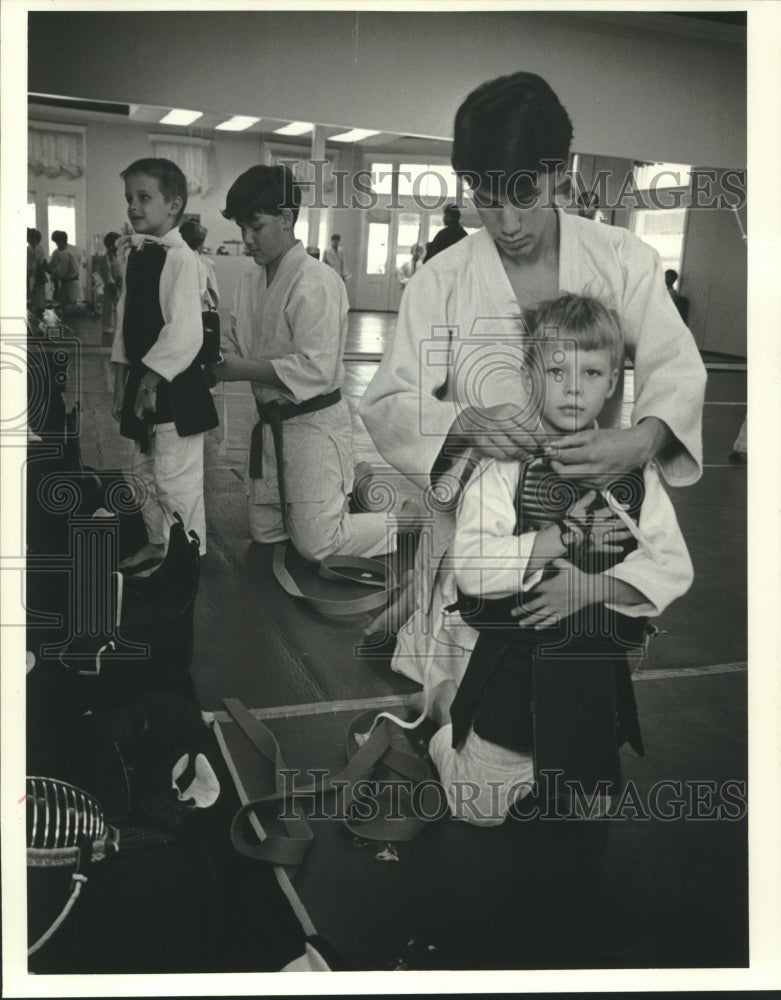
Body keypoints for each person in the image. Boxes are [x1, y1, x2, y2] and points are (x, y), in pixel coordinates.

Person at [359, 71, 706, 695]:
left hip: (581, 516)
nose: (508, 220)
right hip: (482, 522)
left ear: (560, 174)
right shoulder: (442, 280)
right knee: (468, 710)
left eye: (525, 197)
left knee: (572, 695)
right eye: (487, 199)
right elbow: (388, 399)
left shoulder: (623, 259)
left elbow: (675, 365)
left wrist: (642, 440)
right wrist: (465, 424)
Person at [417, 294, 693, 825]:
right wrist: (557, 539)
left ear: (613, 382)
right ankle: (449, 717)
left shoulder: (633, 475)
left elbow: (672, 566)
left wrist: (590, 590)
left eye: (591, 371)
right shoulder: (506, 468)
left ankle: (531, 749)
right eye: (557, 368)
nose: (573, 386)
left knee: (590, 813)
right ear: (528, 375)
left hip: (590, 672)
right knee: (479, 812)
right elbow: (471, 567)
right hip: (515, 667)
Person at [209, 164, 412, 563]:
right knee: (266, 534)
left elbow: (315, 369)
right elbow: (238, 343)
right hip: (272, 426)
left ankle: (407, 521)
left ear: (286, 218)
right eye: (241, 229)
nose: (247, 240)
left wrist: (241, 370)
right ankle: (347, 492)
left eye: (256, 227)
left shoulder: (315, 280)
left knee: (317, 544)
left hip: (313, 426)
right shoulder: (251, 282)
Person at [110, 158, 218, 572]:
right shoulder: (139, 254)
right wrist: (122, 379)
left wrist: (150, 380)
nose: (133, 207)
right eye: (129, 199)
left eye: (144, 197)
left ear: (173, 205)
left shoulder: (180, 258)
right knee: (142, 472)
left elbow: (186, 332)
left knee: (176, 479)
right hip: (143, 381)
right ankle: (158, 543)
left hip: (173, 389)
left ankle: (184, 558)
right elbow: (125, 321)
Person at [179, 219, 220, 311]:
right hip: (201, 311)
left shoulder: (176, 259)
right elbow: (214, 293)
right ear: (199, 244)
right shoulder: (206, 263)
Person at [49, 230, 81, 313]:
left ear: (62, 241)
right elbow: (52, 265)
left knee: (70, 309)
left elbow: (60, 272)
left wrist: (52, 274)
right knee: (67, 308)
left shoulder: (64, 254)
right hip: (70, 282)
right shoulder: (74, 249)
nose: (57, 245)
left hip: (70, 283)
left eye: (57, 242)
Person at [99, 231, 123, 335]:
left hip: (120, 285)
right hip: (111, 286)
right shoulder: (106, 258)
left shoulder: (118, 256)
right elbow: (107, 275)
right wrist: (112, 285)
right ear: (111, 245)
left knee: (120, 309)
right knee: (109, 308)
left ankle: (120, 327)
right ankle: (108, 328)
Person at [27, 228, 48, 312]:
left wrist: (32, 270)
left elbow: (39, 262)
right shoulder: (29, 248)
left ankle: (40, 308)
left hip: (38, 271)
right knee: (33, 292)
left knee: (39, 291)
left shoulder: (39, 249)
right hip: (32, 271)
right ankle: (36, 307)